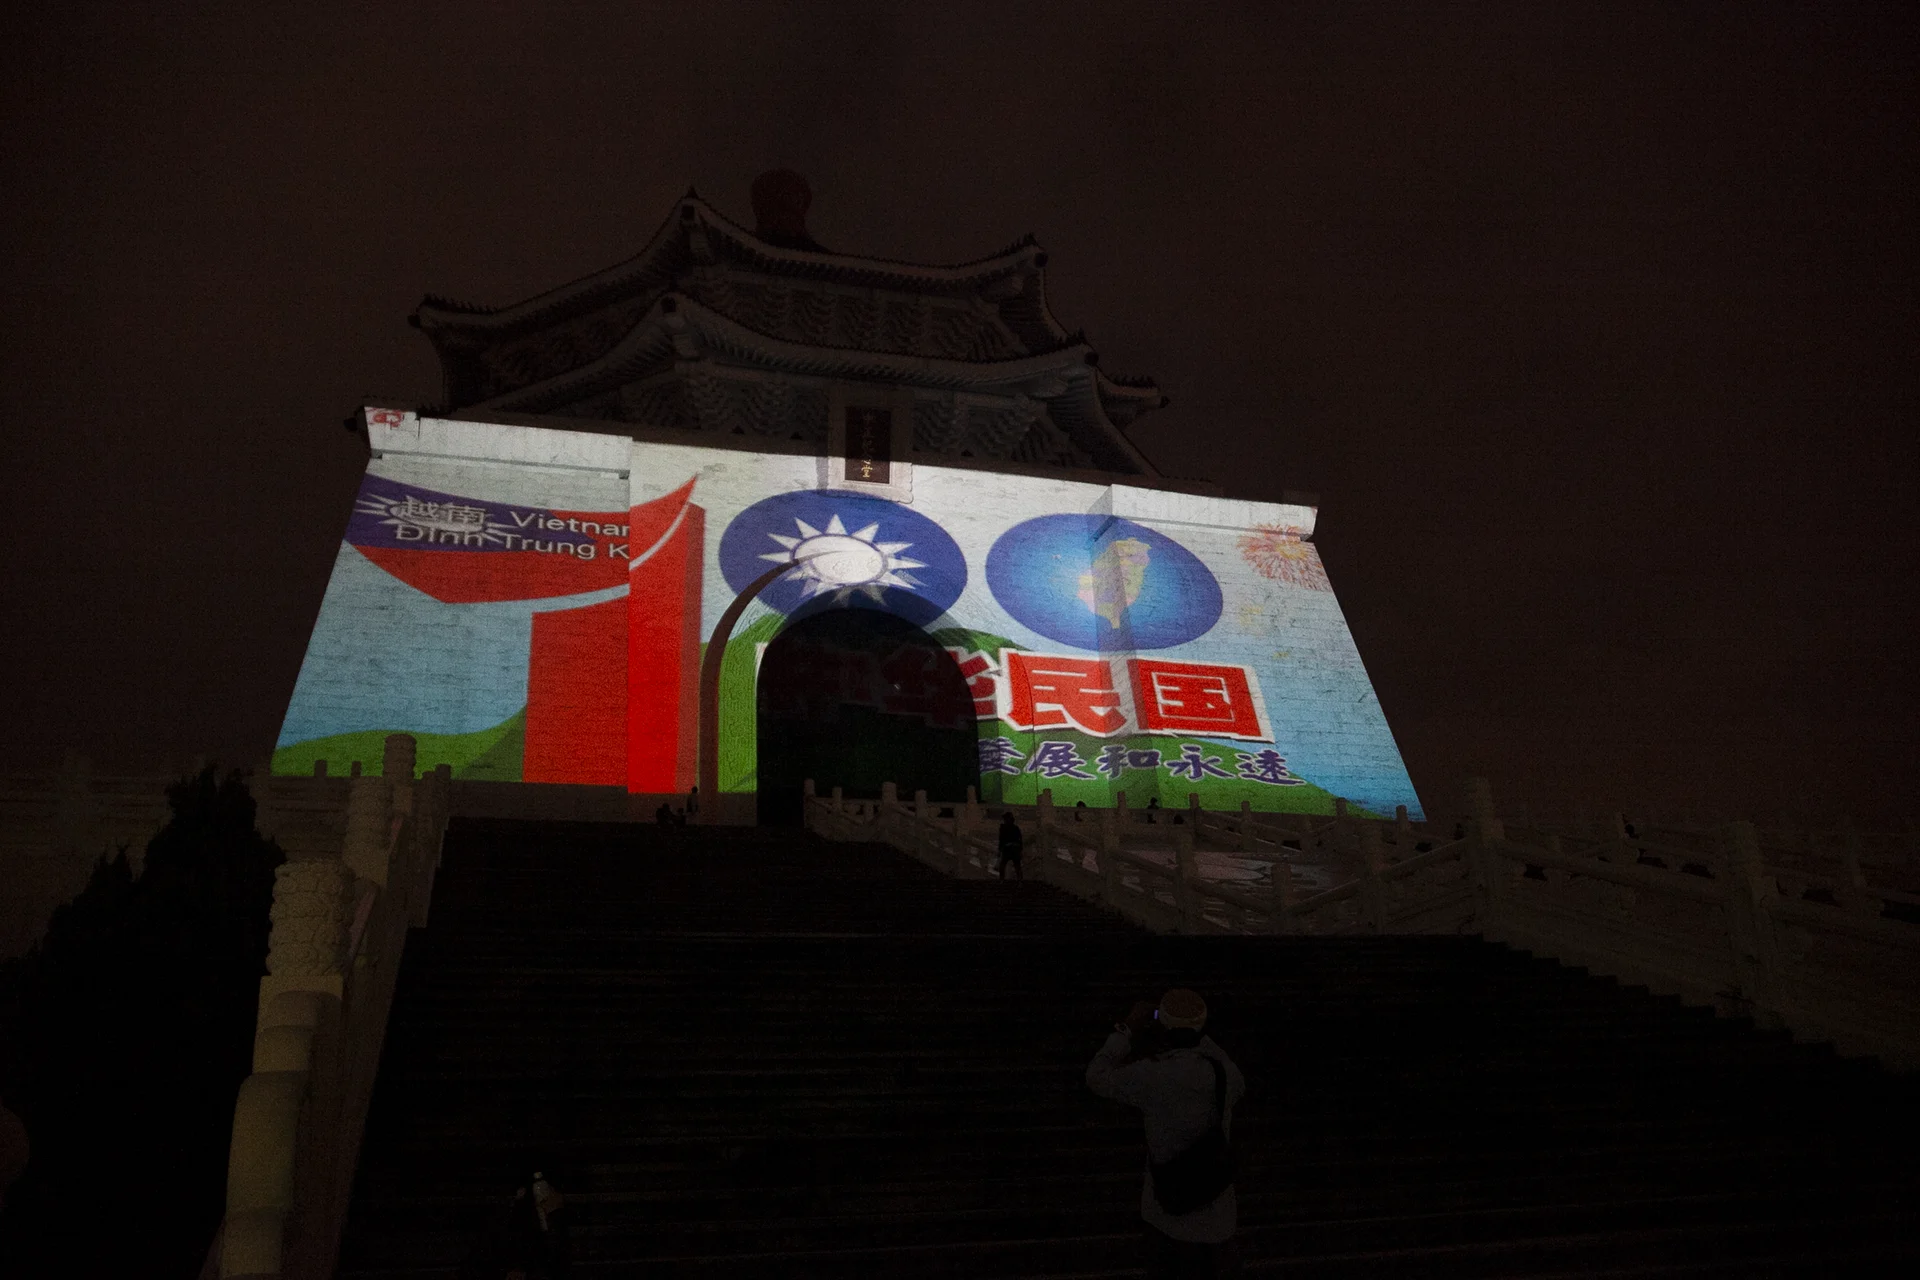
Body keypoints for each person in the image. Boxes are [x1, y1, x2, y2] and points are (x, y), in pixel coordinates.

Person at [1087, 989, 1245, 1278]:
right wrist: (1194, 1025)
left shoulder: (1152, 1074)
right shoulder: (1226, 1074)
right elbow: (1221, 1059)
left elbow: (1097, 1076)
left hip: (1167, 1213)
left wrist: (1127, 1029)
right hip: (1218, 1215)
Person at [997, 811, 1024, 880]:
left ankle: (1003, 880)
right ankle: (1018, 880)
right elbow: (1001, 839)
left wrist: (999, 850)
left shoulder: (1011, 828)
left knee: (1015, 866)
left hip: (1012, 849)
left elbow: (1001, 840)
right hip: (1010, 849)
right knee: (1014, 866)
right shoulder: (1012, 828)